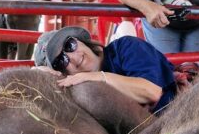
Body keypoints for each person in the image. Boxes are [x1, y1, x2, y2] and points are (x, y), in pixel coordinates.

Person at [34, 26, 177, 112]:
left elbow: (152, 92)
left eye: (69, 45)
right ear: (63, 74)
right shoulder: (80, 93)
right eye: (61, 61)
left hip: (177, 114)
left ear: (79, 40)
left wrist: (96, 76)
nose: (73, 58)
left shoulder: (126, 47)